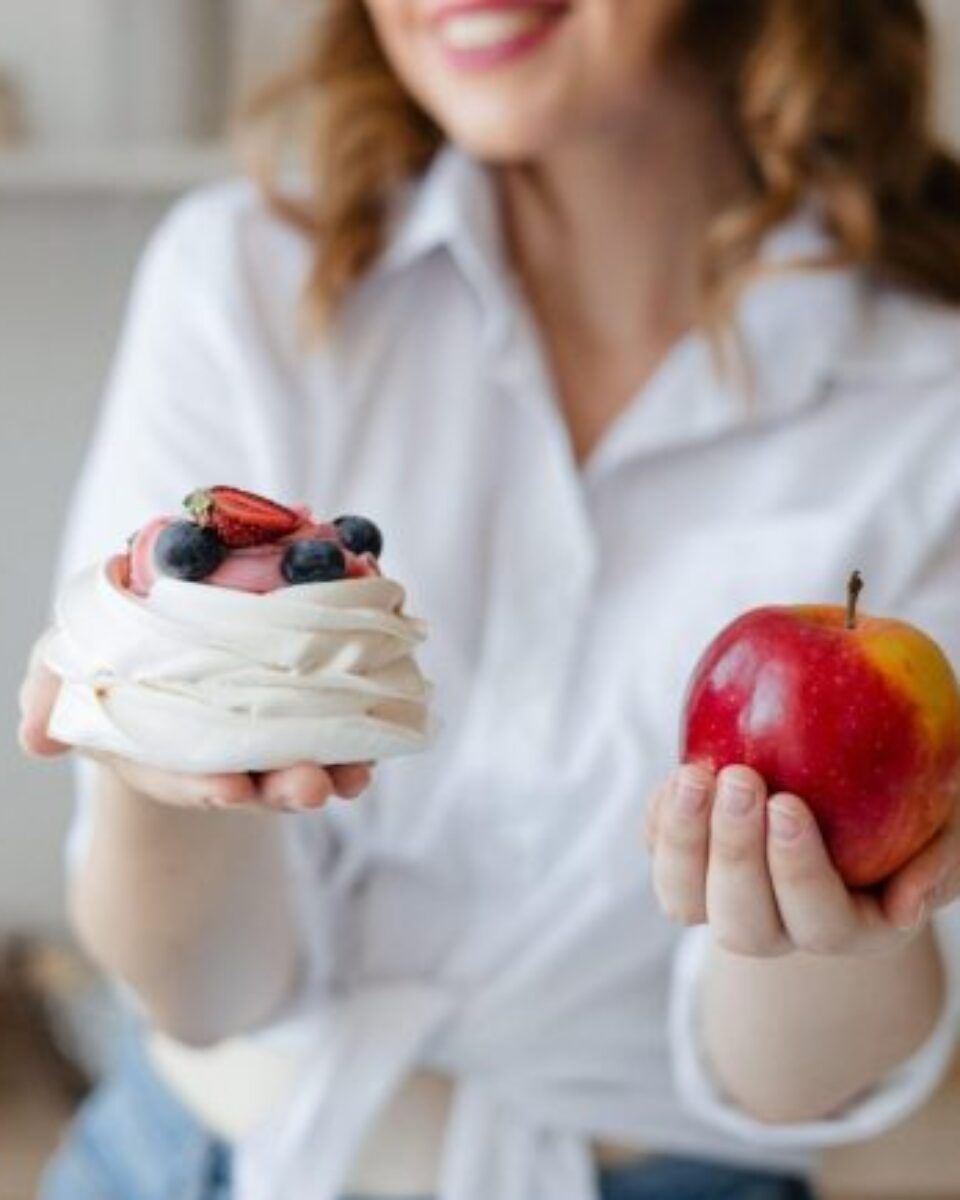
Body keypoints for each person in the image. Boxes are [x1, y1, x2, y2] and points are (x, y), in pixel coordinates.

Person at [17, 2, 960, 1198]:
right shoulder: (244, 278)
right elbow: (203, 996)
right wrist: (153, 760)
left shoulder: (932, 395)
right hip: (190, 1159)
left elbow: (796, 1087)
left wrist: (822, 918)